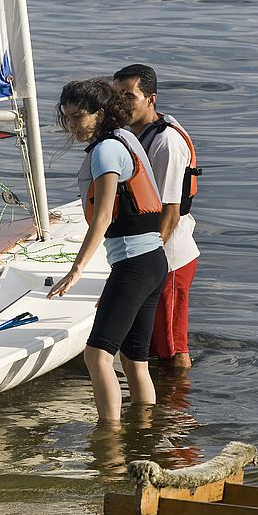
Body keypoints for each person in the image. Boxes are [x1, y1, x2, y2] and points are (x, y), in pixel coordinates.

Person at [47, 78, 168, 423]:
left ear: (99, 114)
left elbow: (101, 219)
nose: (71, 125)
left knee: (97, 355)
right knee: (134, 358)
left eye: (77, 117)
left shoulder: (105, 150)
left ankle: (109, 438)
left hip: (134, 264)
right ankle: (145, 431)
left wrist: (76, 269)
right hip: (152, 261)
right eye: (67, 117)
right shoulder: (125, 138)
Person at [113, 64, 200, 370]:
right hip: (150, 255)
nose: (121, 103)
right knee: (147, 344)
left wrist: (148, 262)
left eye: (129, 96)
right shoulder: (133, 133)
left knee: (173, 350)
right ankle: (152, 411)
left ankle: (177, 410)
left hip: (169, 259)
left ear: (150, 99)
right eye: (116, 95)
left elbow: (170, 212)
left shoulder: (166, 143)